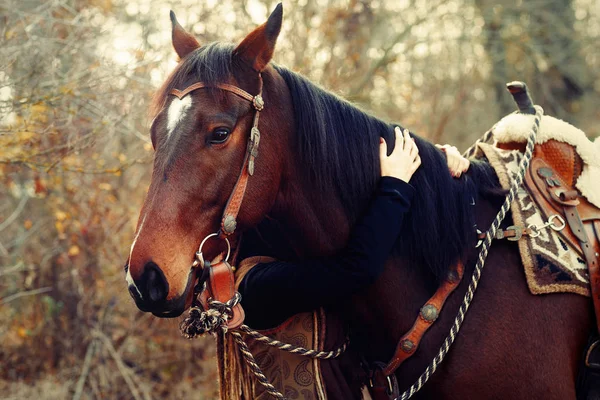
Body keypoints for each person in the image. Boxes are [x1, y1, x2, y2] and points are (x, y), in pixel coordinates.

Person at [238, 127, 470, 329]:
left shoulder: (270, 225)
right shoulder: (256, 288)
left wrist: (433, 164)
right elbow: (356, 269)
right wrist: (395, 187)